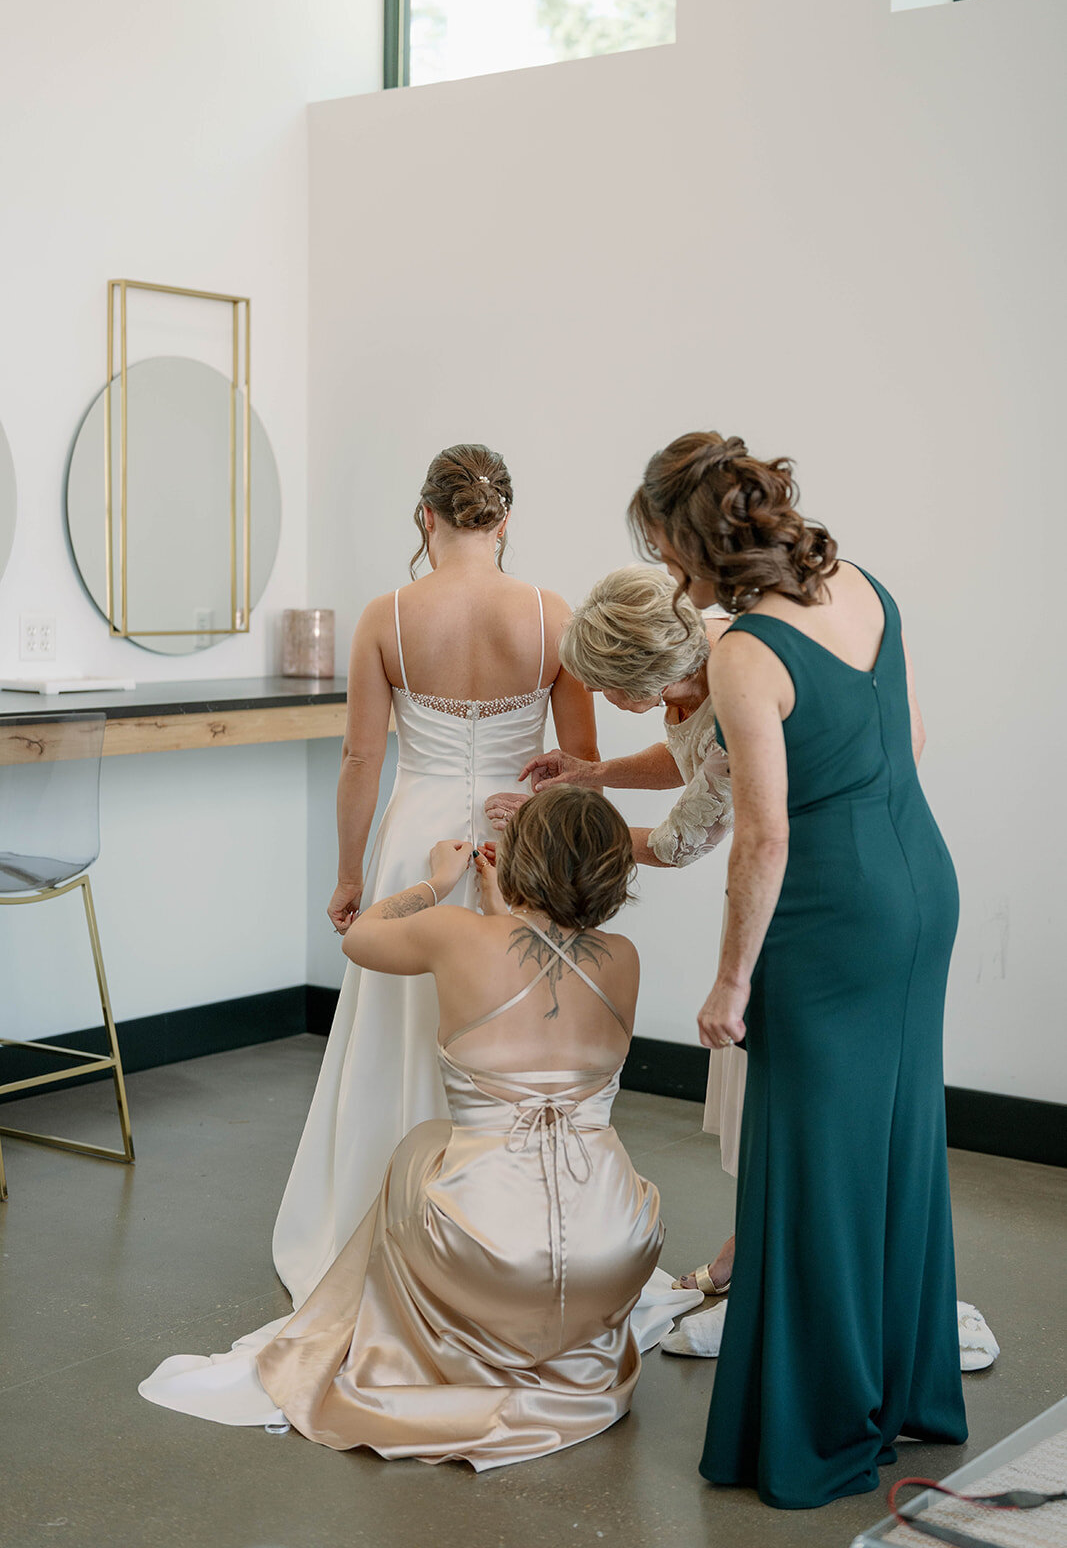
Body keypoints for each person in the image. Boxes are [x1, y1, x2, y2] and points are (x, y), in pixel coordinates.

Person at [629, 429, 967, 1508]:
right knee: (895, 1146)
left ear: (693, 545)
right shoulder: (861, 584)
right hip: (920, 882)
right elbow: (909, 736)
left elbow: (762, 838)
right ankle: (900, 1389)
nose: (665, 575)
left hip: (829, 917)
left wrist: (729, 983)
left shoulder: (740, 652)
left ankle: (821, 1425)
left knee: (813, 1163)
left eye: (662, 551)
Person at [141, 789, 670, 1470]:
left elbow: (360, 936)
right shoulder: (621, 956)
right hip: (616, 1248)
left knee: (420, 1146)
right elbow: (545, 967)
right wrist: (499, 914)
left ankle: (428, 1342)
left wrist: (435, 881)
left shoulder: (456, 933)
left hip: (493, 1255)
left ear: (521, 858)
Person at [273, 444, 597, 1310]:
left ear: (427, 518)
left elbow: (360, 758)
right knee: (511, 1018)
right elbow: (581, 762)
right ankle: (507, 1232)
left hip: (416, 837)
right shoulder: (550, 614)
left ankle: (379, 1209)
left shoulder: (387, 615)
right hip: (517, 840)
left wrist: (350, 876)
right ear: (504, 519)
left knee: (404, 1010)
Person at [484, 565, 740, 1306]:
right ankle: (750, 1245)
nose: (595, 697)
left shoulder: (734, 693)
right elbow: (685, 762)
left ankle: (757, 1258)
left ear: (648, 674)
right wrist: (591, 776)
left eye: (604, 687)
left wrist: (550, 828)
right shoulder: (694, 661)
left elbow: (676, 841)